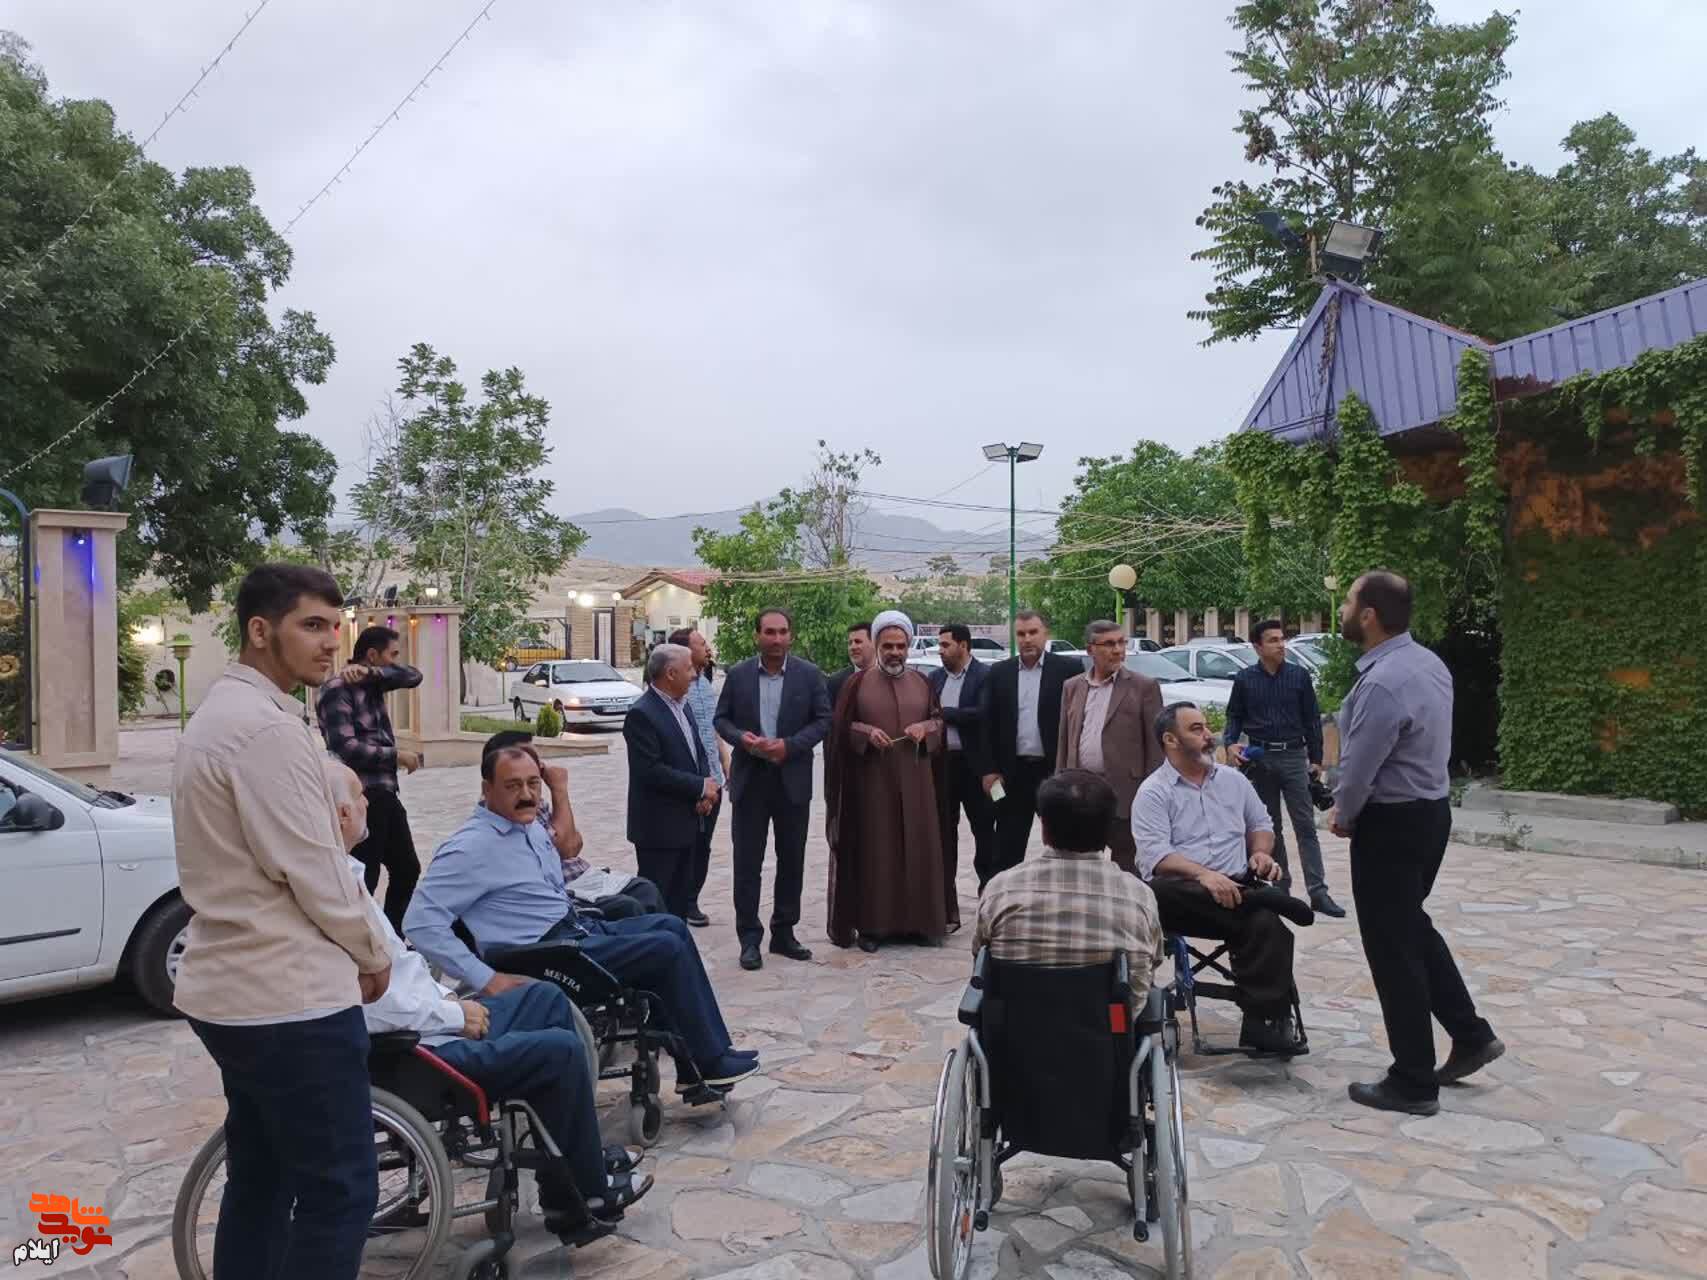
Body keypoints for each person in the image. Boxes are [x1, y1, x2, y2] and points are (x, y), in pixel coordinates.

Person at [171, 564, 392, 1280]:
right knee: (340, 1191)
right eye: (312, 625)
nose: (331, 642)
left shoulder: (229, 713)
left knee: (263, 1178)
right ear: (261, 630)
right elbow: (314, 868)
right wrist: (373, 951)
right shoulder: (262, 728)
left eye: (336, 626)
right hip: (287, 997)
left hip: (236, 992)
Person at [323, 760, 652, 1236]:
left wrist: (453, 1002)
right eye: (359, 795)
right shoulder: (334, 897)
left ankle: (577, 1164)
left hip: (428, 1022)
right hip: (418, 1052)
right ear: (339, 815)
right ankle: (581, 1198)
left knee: (546, 1000)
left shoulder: (345, 877)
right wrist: (454, 1013)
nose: (367, 801)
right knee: (557, 1053)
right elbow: (377, 1002)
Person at [405, 746, 760, 1092]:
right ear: (487, 789)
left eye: (533, 783)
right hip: (543, 955)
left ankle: (702, 1061)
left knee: (671, 927)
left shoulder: (526, 825)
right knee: (665, 948)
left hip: (574, 929)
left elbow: (568, 850)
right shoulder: (470, 847)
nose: (527, 795)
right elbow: (420, 922)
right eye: (513, 786)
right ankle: (709, 1062)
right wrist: (486, 979)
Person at [1331, 571, 1502, 1115]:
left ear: (1368, 615)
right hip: (1429, 814)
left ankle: (1412, 1081)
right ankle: (1471, 1035)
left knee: (1393, 948)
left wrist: (1343, 814)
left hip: (1392, 823)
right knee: (1410, 928)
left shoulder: (1383, 682)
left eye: (1348, 601)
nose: (1342, 608)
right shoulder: (1428, 664)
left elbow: (1359, 766)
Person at [1132, 702, 1313, 1055]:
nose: (1209, 735)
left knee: (1268, 926)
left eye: (1206, 726)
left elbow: (1262, 825)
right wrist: (1206, 876)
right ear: (1170, 740)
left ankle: (1263, 1023)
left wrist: (1261, 853)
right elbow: (1157, 857)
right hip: (1187, 896)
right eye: (1196, 729)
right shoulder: (1153, 792)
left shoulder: (1234, 781)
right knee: (1159, 889)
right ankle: (1258, 897)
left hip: (1236, 893)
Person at [713, 607, 833, 971]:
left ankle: (784, 933)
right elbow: (721, 719)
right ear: (757, 636)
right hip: (750, 781)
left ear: (791, 636)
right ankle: (749, 939)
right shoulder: (738, 675)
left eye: (782, 632)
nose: (776, 639)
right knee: (747, 863)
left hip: (791, 780)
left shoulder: (809, 675)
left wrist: (790, 746)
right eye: (769, 632)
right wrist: (742, 740)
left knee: (791, 860)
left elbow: (824, 720)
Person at [976, 769, 1163, 998]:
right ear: (1109, 830)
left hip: (1014, 1018)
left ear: (1044, 828)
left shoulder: (1000, 890)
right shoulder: (1139, 896)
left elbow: (980, 957)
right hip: (1112, 1019)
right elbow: (1152, 962)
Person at [825, 610, 950, 951]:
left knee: (919, 848)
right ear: (877, 646)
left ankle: (921, 923)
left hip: (917, 783)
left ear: (909, 646)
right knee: (877, 853)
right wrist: (866, 732)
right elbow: (839, 729)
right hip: (873, 784)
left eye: (900, 646)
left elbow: (939, 722)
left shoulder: (923, 683)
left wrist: (926, 728)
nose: (895, 653)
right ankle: (874, 927)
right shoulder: (857, 684)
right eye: (888, 646)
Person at [1226, 619, 1344, 917]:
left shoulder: (1299, 676)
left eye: (1282, 639)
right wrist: (1230, 744)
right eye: (1274, 640)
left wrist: (1316, 758)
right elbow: (1234, 717)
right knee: (1270, 827)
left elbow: (1312, 720)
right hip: (1260, 758)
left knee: (1305, 826)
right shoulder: (1244, 680)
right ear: (1257, 647)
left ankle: (1318, 892)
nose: (1281, 645)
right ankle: (1281, 890)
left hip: (1294, 756)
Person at [482, 730, 665, 919]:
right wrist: (559, 789)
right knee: (627, 907)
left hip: (580, 876)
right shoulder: (504, 809)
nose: (537, 766)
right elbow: (567, 849)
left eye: (535, 760)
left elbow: (575, 844)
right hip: (560, 889)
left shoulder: (535, 801)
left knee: (646, 890)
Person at [315, 623, 425, 932]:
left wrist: (371, 673)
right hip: (362, 795)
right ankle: (364, 937)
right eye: (392, 655)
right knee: (366, 875)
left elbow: (413, 676)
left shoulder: (374, 682)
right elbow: (345, 747)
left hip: (385, 793)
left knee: (406, 869)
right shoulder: (337, 689)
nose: (395, 661)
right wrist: (396, 755)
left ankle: (391, 935)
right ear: (373, 654)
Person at [977, 610, 1080, 883]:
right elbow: (987, 724)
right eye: (1021, 634)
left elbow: (1078, 722)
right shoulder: (1000, 673)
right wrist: (989, 770)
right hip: (1012, 775)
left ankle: (1065, 894)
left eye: (1033, 632)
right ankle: (1001, 897)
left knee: (1065, 842)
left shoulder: (1068, 670)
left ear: (1046, 633)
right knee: (1007, 846)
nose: (1027, 639)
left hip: (1054, 772)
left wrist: (1073, 771)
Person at [1055, 620, 1164, 874]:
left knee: (1127, 864)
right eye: (1109, 644)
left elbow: (1156, 748)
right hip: (1080, 790)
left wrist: (1153, 794)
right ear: (1090, 649)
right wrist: (1059, 784)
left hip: (1125, 793)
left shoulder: (1144, 687)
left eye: (1121, 643)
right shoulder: (1072, 686)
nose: (1117, 650)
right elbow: (1064, 740)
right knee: (1077, 863)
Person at [623, 644, 717, 918]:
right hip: (659, 830)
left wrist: (704, 792)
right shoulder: (642, 714)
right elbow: (650, 771)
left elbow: (697, 751)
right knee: (658, 905)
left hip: (687, 822)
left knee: (679, 904)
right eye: (689, 668)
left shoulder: (683, 705)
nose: (695, 674)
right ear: (671, 673)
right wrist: (700, 787)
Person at [927, 623, 995, 915]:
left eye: (946, 645)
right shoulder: (934, 678)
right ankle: (944, 896)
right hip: (943, 765)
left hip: (979, 769)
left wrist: (944, 714)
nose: (940, 651)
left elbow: (983, 714)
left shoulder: (986, 676)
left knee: (985, 830)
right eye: (939, 645)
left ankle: (989, 891)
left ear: (964, 645)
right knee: (944, 831)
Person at [671, 627, 729, 927]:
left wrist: (725, 761)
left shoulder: (705, 682)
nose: (707, 647)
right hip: (693, 782)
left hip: (715, 779)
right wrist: (698, 787)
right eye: (701, 643)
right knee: (687, 844)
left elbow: (712, 728)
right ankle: (680, 901)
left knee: (703, 845)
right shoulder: (675, 690)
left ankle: (691, 898)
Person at [825, 621, 875, 708]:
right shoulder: (836, 682)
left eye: (858, 642)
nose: (852, 647)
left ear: (874, 643)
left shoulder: (888, 677)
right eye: (850, 643)